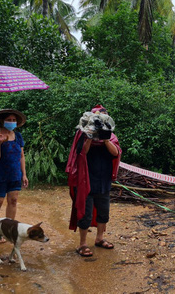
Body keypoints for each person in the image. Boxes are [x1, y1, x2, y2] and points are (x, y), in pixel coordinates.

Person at [66, 105, 122, 257]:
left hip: (103, 180)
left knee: (103, 212)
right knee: (85, 213)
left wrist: (105, 139)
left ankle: (99, 239)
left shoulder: (110, 135)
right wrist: (90, 136)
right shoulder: (82, 134)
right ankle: (82, 244)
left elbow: (116, 153)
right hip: (85, 180)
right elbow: (81, 153)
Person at [0, 109, 29, 225]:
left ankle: (9, 229)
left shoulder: (18, 137)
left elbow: (21, 156)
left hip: (15, 175)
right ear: (2, 121)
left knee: (13, 201)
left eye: (14, 120)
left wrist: (24, 174)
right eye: (9, 120)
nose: (12, 122)